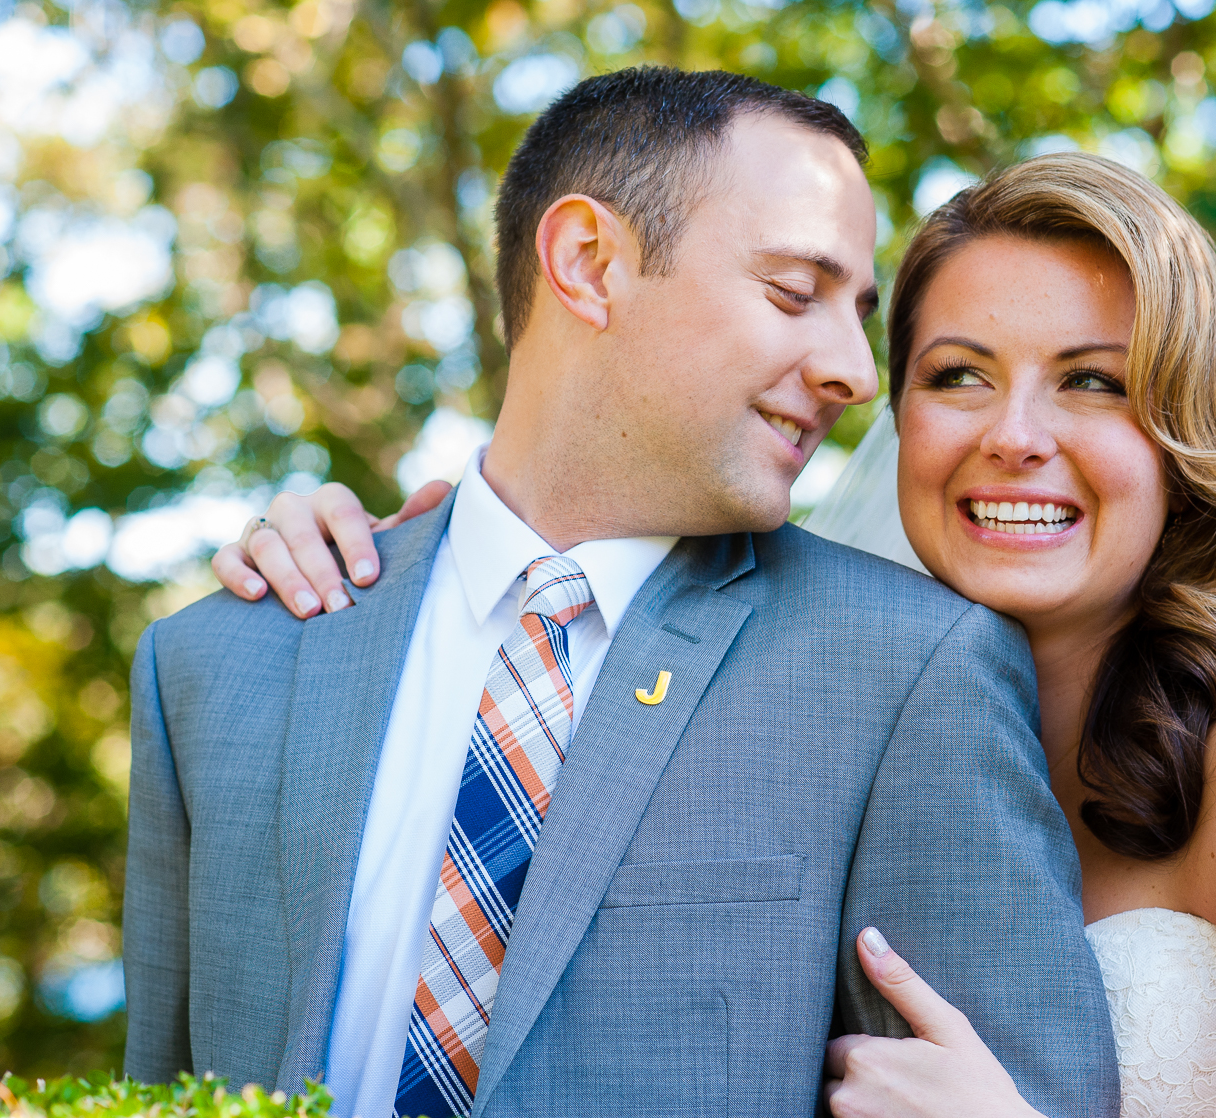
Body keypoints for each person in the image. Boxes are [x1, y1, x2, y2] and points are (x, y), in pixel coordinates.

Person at [227, 151, 1216, 1117]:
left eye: (1094, 380)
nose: (1016, 434)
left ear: (1186, 427)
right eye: (959, 374)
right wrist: (394, 574)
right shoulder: (791, 687)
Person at [127, 68, 1120, 1118]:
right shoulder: (215, 664)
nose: (853, 372)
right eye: (794, 291)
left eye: (857, 312)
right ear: (589, 263)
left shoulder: (911, 669)